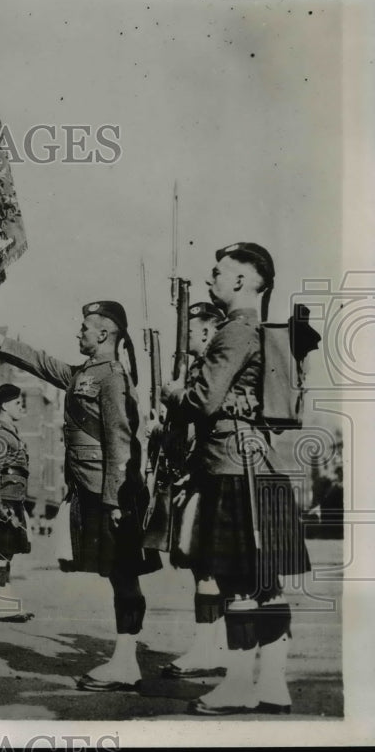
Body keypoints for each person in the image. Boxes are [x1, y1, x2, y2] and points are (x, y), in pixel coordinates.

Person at [161, 242, 311, 716]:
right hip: (259, 467)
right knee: (267, 584)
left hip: (229, 470)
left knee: (236, 584)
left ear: (243, 281)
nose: (212, 280)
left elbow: (202, 401)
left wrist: (173, 395)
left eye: (218, 273)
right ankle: (272, 685)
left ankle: (240, 684)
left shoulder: (232, 333)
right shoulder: (261, 332)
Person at [0, 301, 161, 692]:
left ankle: (125, 661)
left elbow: (120, 438)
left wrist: (116, 500)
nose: (78, 333)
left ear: (104, 333)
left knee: (124, 574)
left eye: (85, 328)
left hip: (109, 491)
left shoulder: (112, 376)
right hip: (92, 487)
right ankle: (124, 657)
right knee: (118, 574)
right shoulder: (84, 373)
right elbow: (42, 363)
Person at [159, 301, 228, 679]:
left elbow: (200, 409)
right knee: (206, 568)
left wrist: (174, 394)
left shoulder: (210, 369)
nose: (184, 338)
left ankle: (209, 649)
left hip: (214, 473)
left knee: (207, 566)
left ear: (204, 331)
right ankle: (211, 647)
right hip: (204, 472)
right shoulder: (204, 367)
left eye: (190, 330)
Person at [0, 383, 34, 623]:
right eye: (15, 403)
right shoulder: (0, 434)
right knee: (2, 554)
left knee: (7, 554)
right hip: (4, 501)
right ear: (3, 405)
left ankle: (8, 605)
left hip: (14, 499)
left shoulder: (10, 432)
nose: (20, 407)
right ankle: (3, 608)